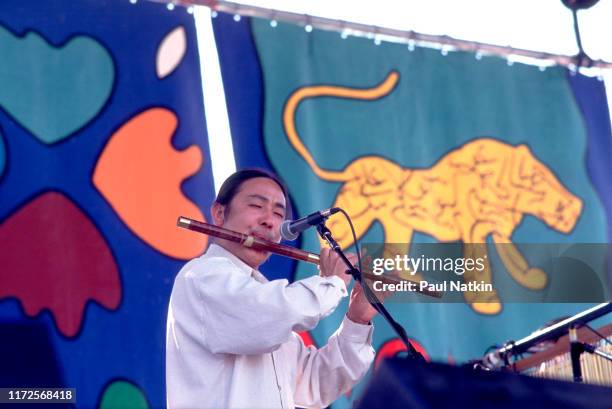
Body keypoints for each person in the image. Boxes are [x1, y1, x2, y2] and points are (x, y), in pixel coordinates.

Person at [166, 168, 379, 409]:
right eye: (257, 206)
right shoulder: (202, 277)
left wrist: (358, 319)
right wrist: (332, 283)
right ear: (219, 212)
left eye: (278, 213)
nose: (269, 220)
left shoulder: (261, 296)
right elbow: (274, 313)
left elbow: (316, 383)